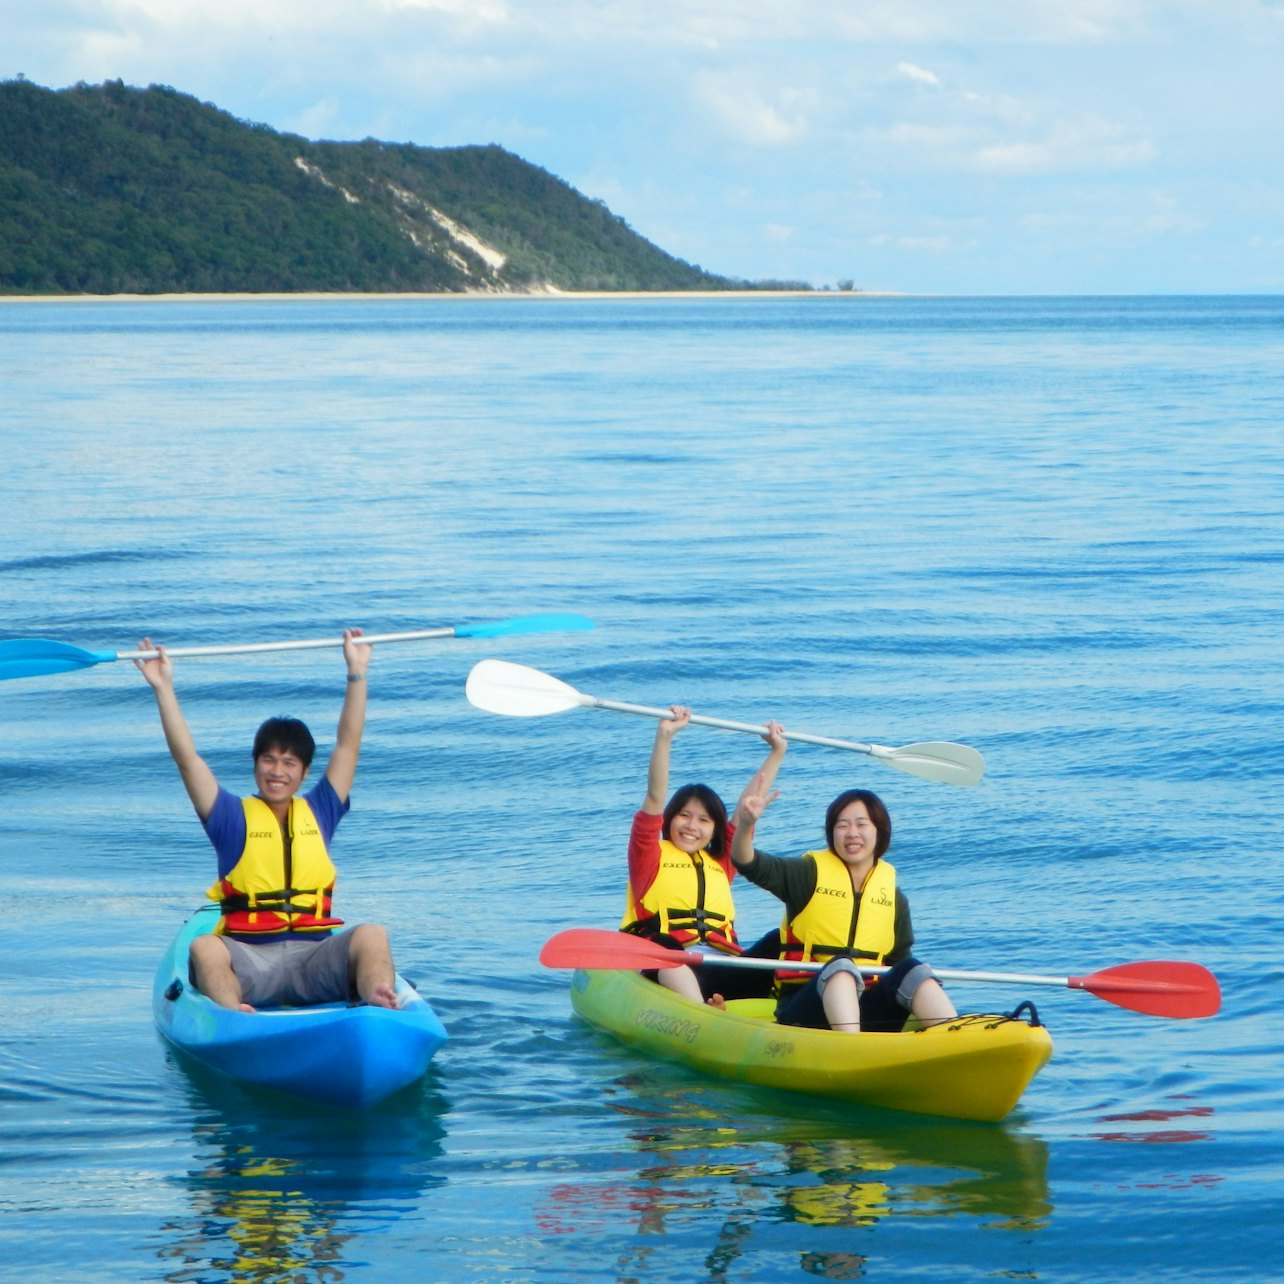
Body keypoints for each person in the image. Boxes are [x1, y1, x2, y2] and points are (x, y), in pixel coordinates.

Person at [136, 629, 399, 1013]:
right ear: (255, 764)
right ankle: (235, 1015)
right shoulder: (228, 817)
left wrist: (357, 672)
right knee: (204, 946)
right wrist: (163, 688)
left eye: (289, 762)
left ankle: (378, 999)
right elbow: (188, 759)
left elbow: (348, 744)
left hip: (315, 960)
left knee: (373, 934)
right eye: (269, 760)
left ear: (305, 771)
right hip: (250, 962)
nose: (278, 772)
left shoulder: (321, 808)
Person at [731, 770, 957, 1034]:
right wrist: (746, 825)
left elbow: (897, 966)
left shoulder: (894, 898)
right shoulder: (807, 874)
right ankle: (851, 1048)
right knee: (841, 967)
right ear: (832, 833)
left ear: (879, 831)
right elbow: (747, 861)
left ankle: (955, 1038)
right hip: (806, 1009)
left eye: (862, 824)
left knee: (913, 969)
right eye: (842, 825)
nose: (852, 833)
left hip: (870, 1011)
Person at [620, 707, 787, 1006]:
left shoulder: (722, 864)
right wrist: (665, 736)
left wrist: (777, 751)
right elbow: (655, 798)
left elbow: (748, 807)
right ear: (670, 819)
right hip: (668, 970)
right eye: (684, 815)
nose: (692, 826)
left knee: (779, 939)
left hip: (723, 970)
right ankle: (702, 1013)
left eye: (704, 820)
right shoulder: (649, 856)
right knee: (664, 945)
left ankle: (785, 1007)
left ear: (715, 829)